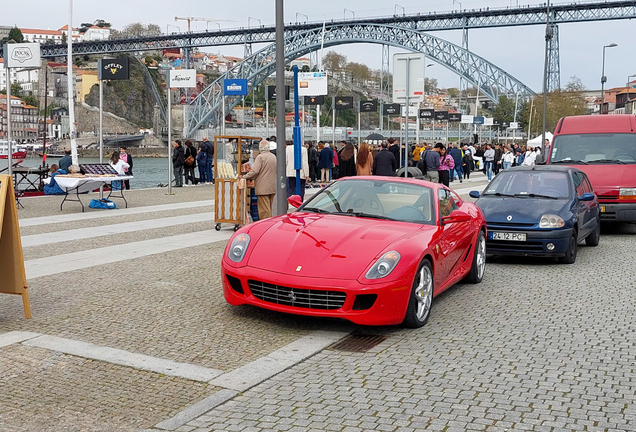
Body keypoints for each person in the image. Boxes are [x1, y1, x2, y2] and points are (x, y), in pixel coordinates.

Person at [241, 140, 277, 220]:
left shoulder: (260, 157)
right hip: (272, 186)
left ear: (260, 148)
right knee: (270, 208)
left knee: (264, 211)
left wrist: (245, 177)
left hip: (262, 187)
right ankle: (270, 223)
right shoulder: (273, 156)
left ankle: (265, 226)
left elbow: (255, 171)